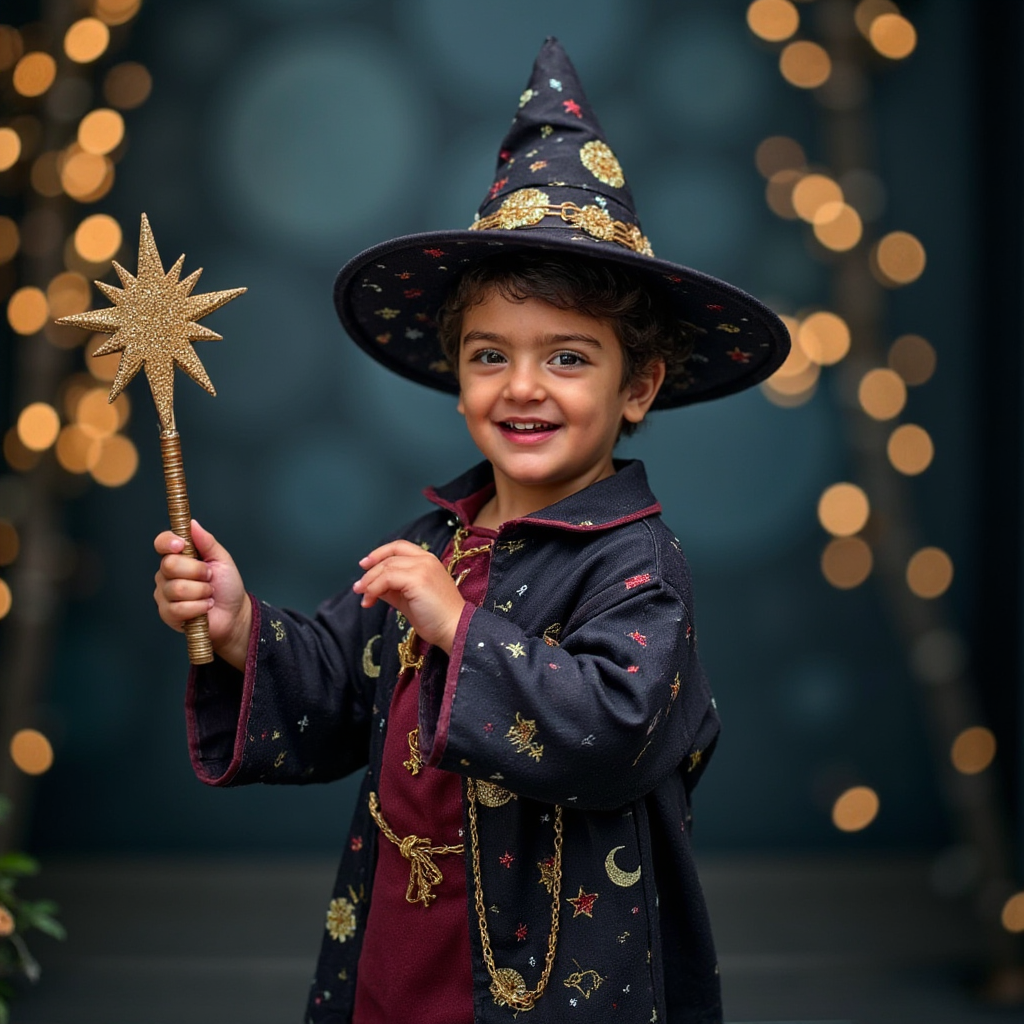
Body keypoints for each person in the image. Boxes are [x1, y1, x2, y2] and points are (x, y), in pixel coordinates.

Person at [154, 38, 788, 1024]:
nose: (523, 386)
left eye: (568, 358)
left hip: (558, 960)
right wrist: (241, 627)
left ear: (639, 387)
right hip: (407, 933)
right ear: (457, 383)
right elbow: (340, 684)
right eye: (491, 355)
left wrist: (461, 628)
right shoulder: (439, 537)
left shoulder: (636, 565)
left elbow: (613, 732)